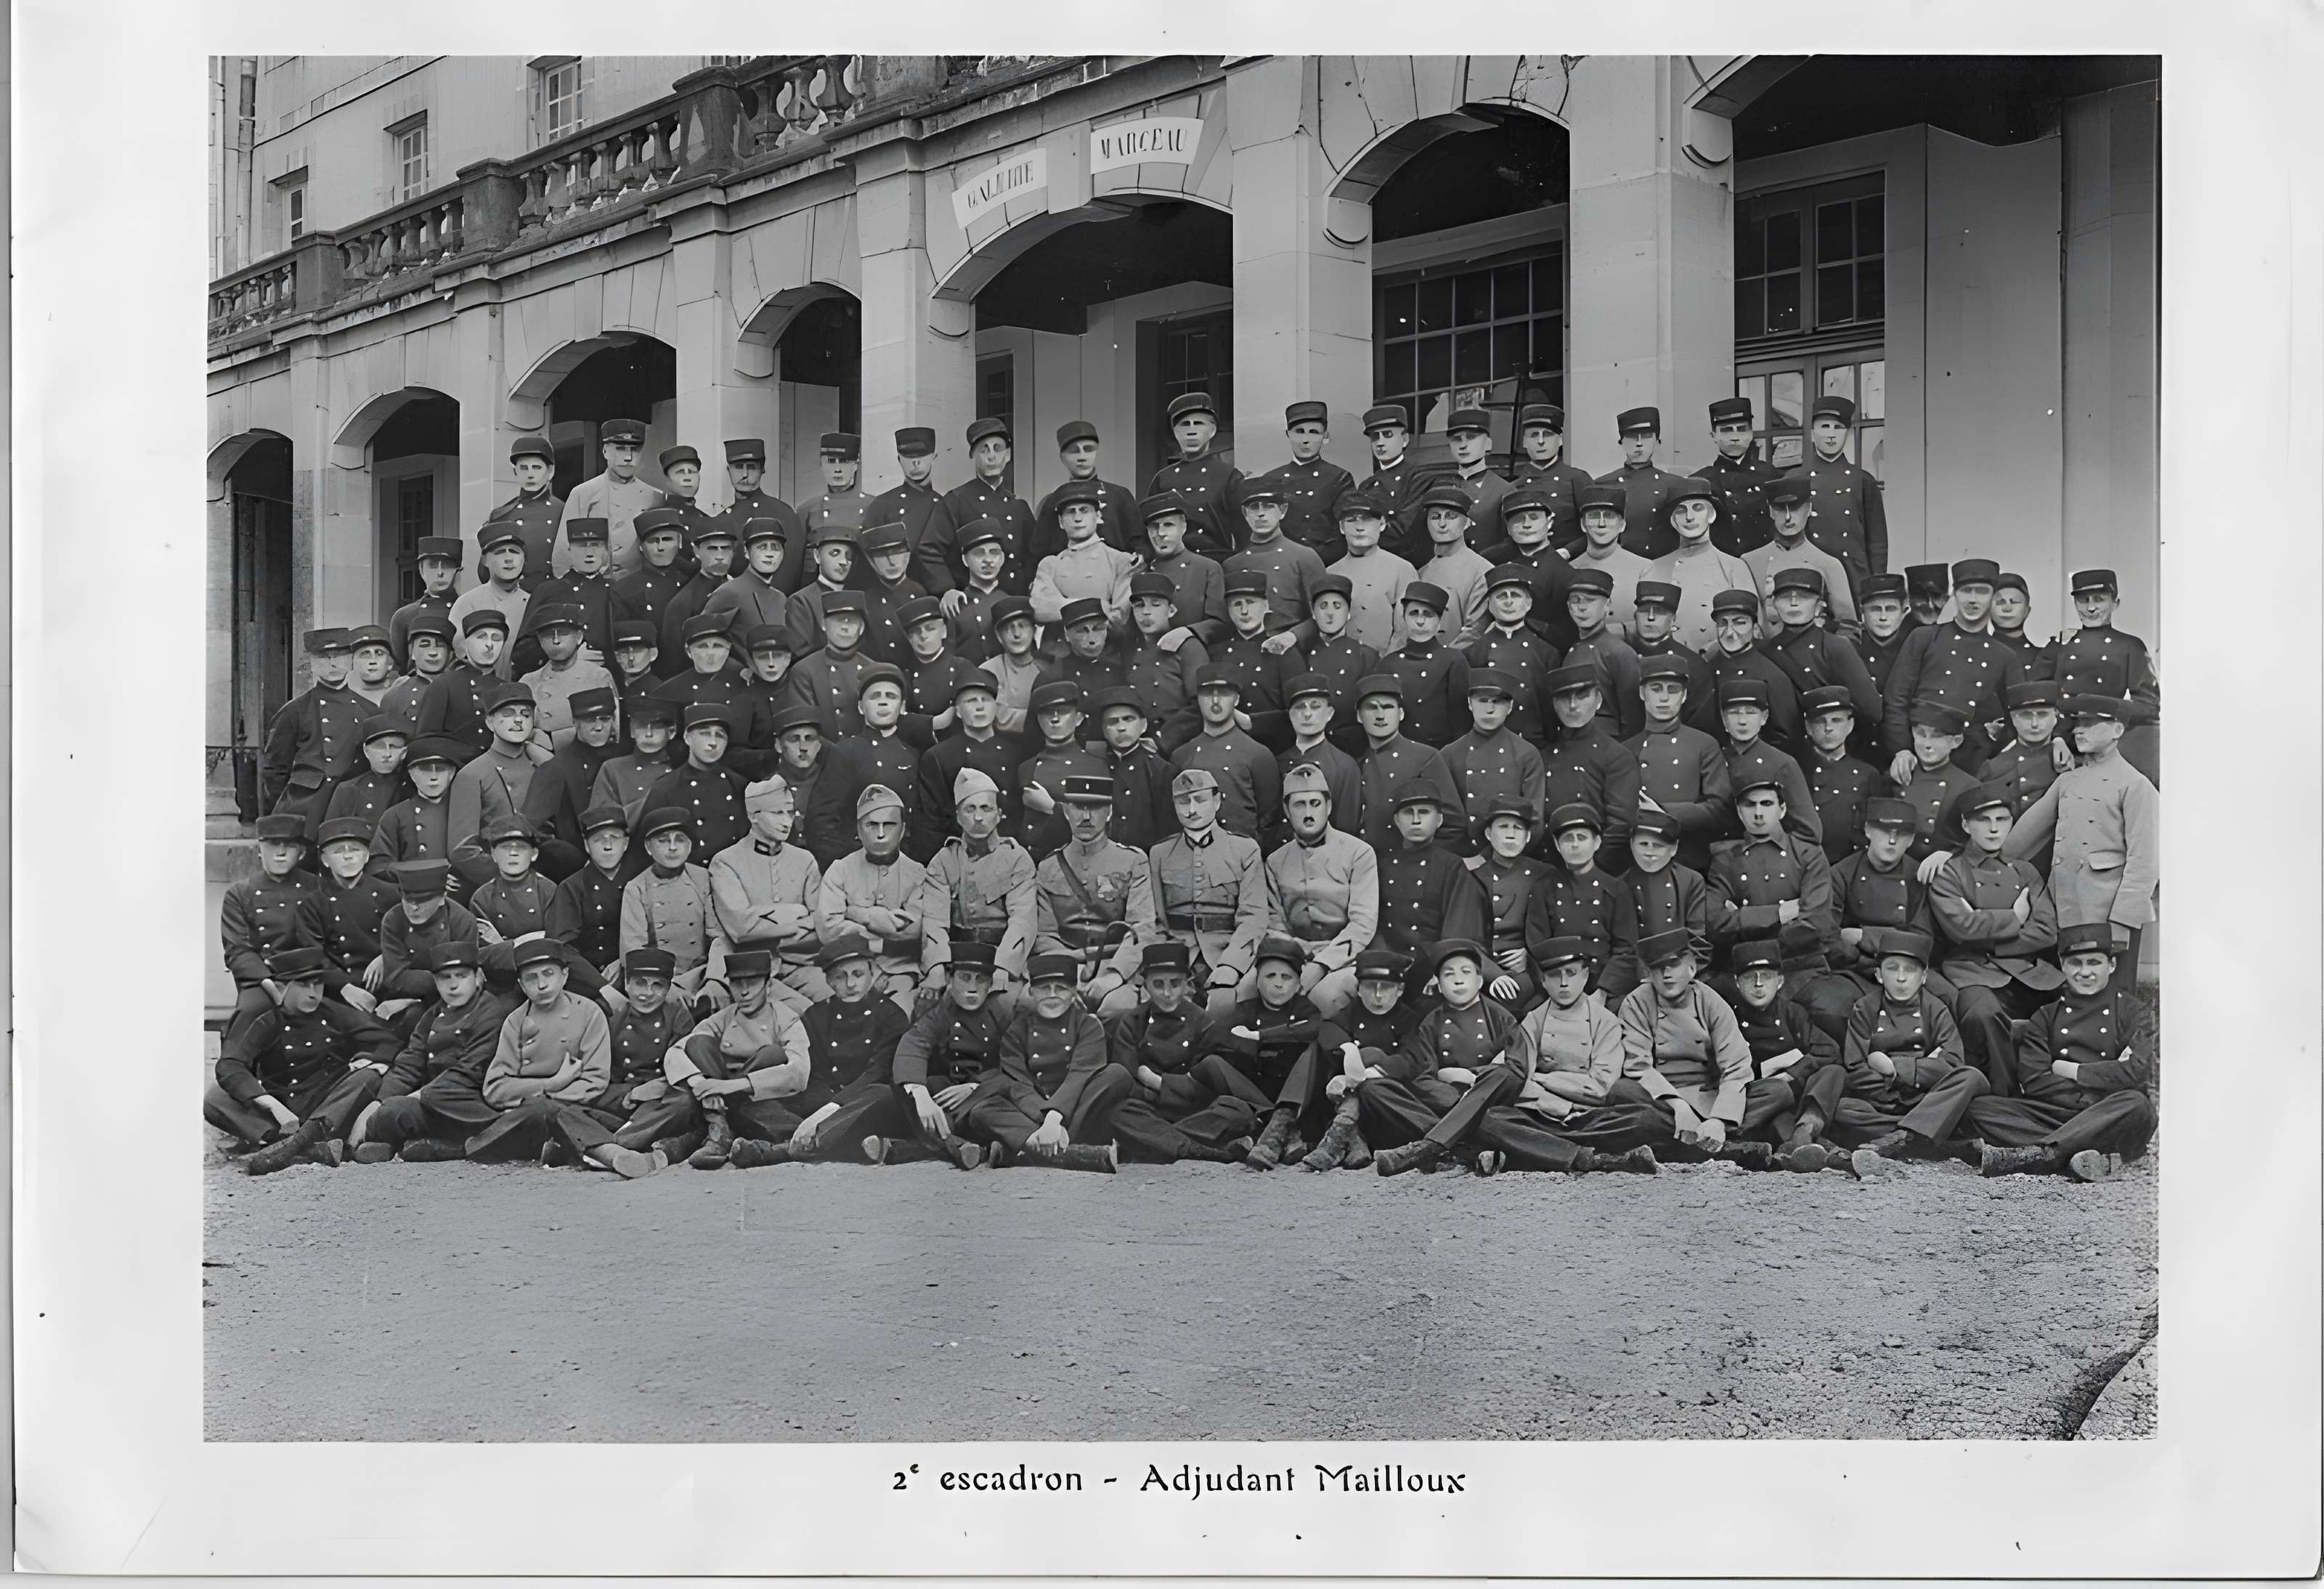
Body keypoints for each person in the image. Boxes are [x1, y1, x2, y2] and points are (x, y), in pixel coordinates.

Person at [1550, 928, 1788, 1165]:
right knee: (1620, 1090)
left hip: (1709, 1094)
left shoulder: (1711, 1001)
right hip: (1660, 1098)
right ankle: (1721, 1146)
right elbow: (1638, 1064)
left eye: (1673, 965)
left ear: (1692, 969)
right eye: (1657, 968)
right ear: (1649, 975)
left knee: (1777, 1091)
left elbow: (1736, 1066)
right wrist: (1679, 1107)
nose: (1666, 975)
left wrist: (1719, 1118)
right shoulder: (1636, 1002)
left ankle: (1702, 1136)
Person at [1963, 923, 2156, 1183]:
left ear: (2111, 965)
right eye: (2075, 963)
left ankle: (2043, 1154)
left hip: (2110, 1109)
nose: (2085, 972)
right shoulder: (2045, 1016)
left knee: (2137, 1106)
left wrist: (2070, 1069)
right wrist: (2102, 1081)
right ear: (2063, 966)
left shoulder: (2135, 1013)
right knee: (1980, 1108)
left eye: (2094, 963)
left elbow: (2137, 1071)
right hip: (2056, 1111)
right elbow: (2034, 1081)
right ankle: (2083, 1150)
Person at [1998, 694, 2158, 992]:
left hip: (2109, 913)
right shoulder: (2068, 781)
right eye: (2077, 723)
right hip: (2065, 906)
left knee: (2112, 998)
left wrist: (2121, 923)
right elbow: (2016, 844)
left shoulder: (2136, 786)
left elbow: (2145, 863)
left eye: (2090, 724)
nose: (2077, 731)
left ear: (2117, 731)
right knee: (2071, 991)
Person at [1361, 938, 1546, 1178]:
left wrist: (1473, 1078)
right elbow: (1423, 1078)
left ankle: (1426, 1148)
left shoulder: (1500, 1017)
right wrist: (1456, 1097)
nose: (1459, 980)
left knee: (1503, 1074)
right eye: (1449, 974)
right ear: (1439, 984)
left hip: (1489, 1102)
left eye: (1466, 972)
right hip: (1446, 1106)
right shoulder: (1431, 1022)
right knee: (1373, 1090)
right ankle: (1470, 1148)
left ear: (1480, 980)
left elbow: (1517, 1069)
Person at [1813, 929, 1988, 1180]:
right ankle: (1924, 1138)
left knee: (1970, 1077)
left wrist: (1895, 1069)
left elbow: (1952, 1065)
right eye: (1893, 969)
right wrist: (1918, 1071)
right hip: (1883, 1105)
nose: (1902, 978)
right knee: (1842, 1109)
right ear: (1879, 975)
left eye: (1911, 970)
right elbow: (1855, 1069)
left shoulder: (1936, 1009)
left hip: (1927, 1100)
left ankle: (1903, 1138)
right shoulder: (1865, 1009)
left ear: (1924, 976)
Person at [208, 946, 396, 1175]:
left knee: (369, 1075)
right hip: (283, 1110)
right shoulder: (266, 1019)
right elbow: (230, 1065)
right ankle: (301, 1148)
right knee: (214, 1097)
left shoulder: (332, 1012)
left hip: (327, 1102)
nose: (313, 992)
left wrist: (365, 1060)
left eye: (318, 984)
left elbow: (387, 1039)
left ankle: (302, 1143)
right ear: (280, 988)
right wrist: (271, 1104)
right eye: (304, 985)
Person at [1930, 785, 2063, 1092]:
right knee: (1984, 1014)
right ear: (1966, 825)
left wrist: (1986, 932)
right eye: (1984, 820)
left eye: (2002, 819)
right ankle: (2003, 1097)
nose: (1993, 828)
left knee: (2075, 1002)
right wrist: (2016, 917)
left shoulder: (2025, 871)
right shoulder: (1950, 873)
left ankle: (2060, 1094)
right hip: (1972, 972)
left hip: (2028, 971)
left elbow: (2046, 930)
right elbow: (1961, 929)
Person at [634, 948, 815, 1170]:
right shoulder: (725, 1017)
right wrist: (703, 1085)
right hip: (721, 1099)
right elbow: (677, 1051)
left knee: (773, 1055)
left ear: (768, 986)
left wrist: (730, 1086)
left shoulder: (785, 1017)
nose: (745, 992)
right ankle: (720, 1131)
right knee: (698, 1043)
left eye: (753, 983)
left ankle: (711, 1134)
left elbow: (799, 1073)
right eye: (738, 984)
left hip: (763, 1099)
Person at [527, 947, 696, 1177]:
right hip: (619, 1103)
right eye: (640, 983)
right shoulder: (609, 1017)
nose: (647, 993)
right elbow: (592, 1074)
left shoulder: (678, 1016)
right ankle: (615, 1150)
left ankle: (599, 1148)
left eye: (657, 985)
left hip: (657, 1104)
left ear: (668, 988)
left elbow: (682, 1070)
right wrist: (628, 1094)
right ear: (626, 985)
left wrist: (655, 1088)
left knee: (685, 1101)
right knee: (561, 1109)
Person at [949, 954, 1126, 1171]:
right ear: (1031, 992)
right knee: (981, 1109)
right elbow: (1019, 1083)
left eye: (1060, 988)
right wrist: (1045, 1123)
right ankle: (1062, 1152)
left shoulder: (1088, 1025)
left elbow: (1079, 1077)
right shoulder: (1017, 1031)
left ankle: (1023, 1149)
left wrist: (1055, 1120)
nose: (1052, 995)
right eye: (1044, 988)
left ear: (1073, 991)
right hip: (1035, 1110)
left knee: (1116, 1075)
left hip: (1078, 1105)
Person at [1102, 942, 1264, 1166]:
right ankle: (1202, 1151)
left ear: (1187, 982)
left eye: (1175, 984)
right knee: (1117, 1113)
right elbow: (1126, 1082)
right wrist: (1165, 1091)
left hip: (1197, 1112)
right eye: (1158, 984)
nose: (1167, 993)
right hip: (1148, 1111)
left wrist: (1158, 1083)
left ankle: (1155, 1145)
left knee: (1237, 1111)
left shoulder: (1203, 1022)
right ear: (1144, 983)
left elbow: (1205, 1084)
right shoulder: (1132, 1022)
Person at [1881, 558, 2026, 774]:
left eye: (1982, 592)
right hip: (1916, 758)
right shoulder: (1924, 638)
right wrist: (1901, 750)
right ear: (1954, 594)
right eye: (1966, 591)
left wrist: (1989, 749)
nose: (1973, 599)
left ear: (1994, 597)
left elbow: (2019, 716)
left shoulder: (2004, 656)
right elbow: (1896, 701)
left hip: (1971, 764)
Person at [1031, 774, 1158, 1018]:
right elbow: (1044, 934)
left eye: (1096, 807)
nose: (1086, 817)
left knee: (1119, 1008)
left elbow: (1141, 928)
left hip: (1120, 966)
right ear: (1066, 811)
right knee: (1029, 1003)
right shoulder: (1048, 867)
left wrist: (1114, 975)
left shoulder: (1133, 861)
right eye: (1078, 807)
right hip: (1064, 969)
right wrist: (1070, 973)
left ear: (1109, 812)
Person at [1147, 768, 1270, 1019]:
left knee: (1228, 1006)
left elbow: (1253, 918)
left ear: (1217, 801)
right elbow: (1157, 920)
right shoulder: (1160, 853)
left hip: (1228, 951)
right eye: (1183, 801)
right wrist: (1166, 961)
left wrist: (1231, 965)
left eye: (1200, 800)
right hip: (1177, 954)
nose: (1191, 809)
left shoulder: (1244, 850)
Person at [917, 768, 1038, 1018]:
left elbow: (1022, 921)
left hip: (999, 955)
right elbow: (934, 921)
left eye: (986, 809)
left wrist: (1004, 968)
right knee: (928, 1006)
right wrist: (938, 967)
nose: (979, 818)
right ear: (959, 817)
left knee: (1004, 1006)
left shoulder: (1016, 858)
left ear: (999, 815)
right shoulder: (944, 860)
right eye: (970, 810)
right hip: (957, 958)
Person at [1261, 763, 1378, 1015]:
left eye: (1315, 804)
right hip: (1291, 958)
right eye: (1299, 805)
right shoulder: (1275, 860)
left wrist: (1323, 964)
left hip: (1345, 960)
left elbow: (1363, 923)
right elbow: (1274, 922)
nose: (1308, 813)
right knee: (1255, 990)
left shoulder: (1359, 853)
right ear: (1286, 810)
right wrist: (1294, 956)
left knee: (1325, 996)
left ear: (1329, 807)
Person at [1717, 936, 1841, 1170]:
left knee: (1834, 1072)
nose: (1758, 985)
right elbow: (1721, 1066)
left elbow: (1829, 1051)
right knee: (1778, 1095)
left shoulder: (1792, 1012)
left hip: (1798, 1095)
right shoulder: (1727, 1016)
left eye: (1766, 976)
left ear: (1781, 981)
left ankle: (1806, 1129)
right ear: (1737, 982)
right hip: (1758, 1096)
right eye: (1749, 978)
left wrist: (1792, 1073)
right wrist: (1767, 1075)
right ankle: (1829, 1153)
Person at [890, 941, 1011, 1163]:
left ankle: (956, 1147)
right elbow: (915, 1042)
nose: (973, 988)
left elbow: (1016, 1065)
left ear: (991, 983)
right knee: (909, 1088)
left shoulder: (1002, 1011)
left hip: (986, 1094)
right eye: (965, 978)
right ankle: (962, 1148)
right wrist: (920, 1093)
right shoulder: (942, 1009)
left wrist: (977, 1087)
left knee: (988, 1110)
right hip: (949, 1092)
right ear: (949, 979)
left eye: (981, 979)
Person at [2041, 568, 2161, 789]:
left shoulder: (2130, 646)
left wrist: (2102, 710)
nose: (2091, 607)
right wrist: (2056, 738)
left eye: (2100, 599)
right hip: (2058, 745)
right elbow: (2036, 694)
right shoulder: (2060, 644)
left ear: (2115, 602)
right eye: (2083, 600)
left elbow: (2149, 706)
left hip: (2104, 744)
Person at [1708, 773, 1837, 977]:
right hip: (1743, 969)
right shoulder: (1725, 860)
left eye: (1767, 803)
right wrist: (1779, 914)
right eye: (1750, 805)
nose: (1758, 813)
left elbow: (1815, 923)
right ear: (1740, 812)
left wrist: (1744, 921)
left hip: (1801, 967)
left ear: (1782, 809)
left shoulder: (1808, 855)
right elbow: (1716, 923)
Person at [219, 813, 325, 1047]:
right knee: (250, 1013)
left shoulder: (317, 888)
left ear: (302, 852)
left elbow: (327, 938)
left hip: (310, 975)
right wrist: (269, 983)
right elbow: (238, 951)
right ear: (259, 849)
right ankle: (236, 1068)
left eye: (289, 846)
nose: (280, 852)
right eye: (272, 845)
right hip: (264, 978)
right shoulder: (240, 893)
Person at [1371, 781, 1490, 985]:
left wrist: (1442, 968)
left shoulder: (1452, 867)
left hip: (1432, 968)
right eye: (1408, 813)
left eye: (1424, 812)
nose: (1416, 820)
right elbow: (1372, 922)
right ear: (1397, 821)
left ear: (1439, 820)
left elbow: (1459, 930)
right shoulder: (1379, 864)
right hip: (1385, 963)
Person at [1627, 655, 1731, 874]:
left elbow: (1720, 809)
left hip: (1691, 861)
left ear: (1684, 696)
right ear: (1641, 693)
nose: (1664, 698)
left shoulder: (1704, 744)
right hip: (1639, 861)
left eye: (1673, 690)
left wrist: (1663, 812)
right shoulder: (1626, 750)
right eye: (1656, 689)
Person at [1600, 808, 1711, 1004]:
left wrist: (1678, 974)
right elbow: (1621, 947)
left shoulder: (1691, 881)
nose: (1649, 852)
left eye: (1658, 846)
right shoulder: (1619, 886)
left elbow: (1698, 939)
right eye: (1643, 844)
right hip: (1633, 979)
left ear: (1674, 848)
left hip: (1682, 977)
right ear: (1631, 844)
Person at [261, 628, 365, 837]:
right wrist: (289, 805)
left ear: (351, 660)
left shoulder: (369, 711)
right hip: (306, 807)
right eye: (324, 658)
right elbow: (274, 769)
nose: (333, 664)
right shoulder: (294, 711)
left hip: (349, 806)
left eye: (340, 656)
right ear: (311, 664)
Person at [1540, 662, 1642, 866]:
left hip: (1597, 870)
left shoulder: (1616, 756)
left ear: (1599, 700)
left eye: (1582, 696)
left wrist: (1590, 871)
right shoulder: (1543, 756)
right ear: (1554, 705)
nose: (1572, 705)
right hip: (1550, 868)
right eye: (1563, 698)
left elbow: (1620, 827)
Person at [921, 416, 1035, 598]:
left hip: (1014, 601)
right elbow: (928, 549)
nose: (991, 456)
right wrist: (947, 589)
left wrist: (1031, 585)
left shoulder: (1018, 506)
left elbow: (1033, 554)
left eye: (997, 449)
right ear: (973, 455)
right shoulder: (956, 500)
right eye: (984, 449)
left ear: (1008, 455)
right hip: (972, 601)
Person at [1525, 802, 1631, 993]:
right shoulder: (1544, 888)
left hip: (1604, 987)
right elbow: (1537, 948)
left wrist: (1603, 992)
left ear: (1597, 843)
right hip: (1559, 985)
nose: (1575, 845)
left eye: (1582, 838)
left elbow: (1626, 950)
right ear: (1558, 845)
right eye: (1567, 839)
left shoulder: (1616, 889)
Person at [911, 672, 1020, 858]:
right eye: (970, 701)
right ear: (958, 712)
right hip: (960, 856)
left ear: (995, 706)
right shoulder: (939, 756)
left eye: (985, 700)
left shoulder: (1016, 753)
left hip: (1009, 853)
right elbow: (932, 822)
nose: (979, 707)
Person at [1352, 673, 1466, 851]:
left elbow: (1453, 827)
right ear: (1359, 716)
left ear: (1401, 714)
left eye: (1388, 707)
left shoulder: (1425, 758)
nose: (1380, 716)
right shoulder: (1357, 763)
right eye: (1371, 708)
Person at [445, 685, 544, 890]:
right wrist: (509, 878)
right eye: (508, 714)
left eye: (526, 714)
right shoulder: (472, 775)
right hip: (498, 884)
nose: (518, 720)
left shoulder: (544, 766)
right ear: (490, 722)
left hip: (545, 879)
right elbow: (462, 850)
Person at [1644, 477, 1759, 652]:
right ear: (1673, 520)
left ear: (1711, 515)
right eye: (1682, 510)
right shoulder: (1654, 567)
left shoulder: (1734, 567)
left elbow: (1752, 628)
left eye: (1698, 508)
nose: (1690, 517)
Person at [309, 816, 407, 1022]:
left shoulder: (391, 894)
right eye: (338, 851)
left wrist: (386, 957)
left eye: (355, 850)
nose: (348, 857)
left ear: (367, 855)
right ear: (325, 860)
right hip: (338, 990)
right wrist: (343, 987)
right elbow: (311, 953)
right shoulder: (314, 901)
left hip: (388, 984)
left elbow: (410, 937)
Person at [1794, 396, 1886, 606]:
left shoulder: (1863, 480)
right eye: (1824, 426)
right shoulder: (1795, 479)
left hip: (1854, 576)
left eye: (1838, 427)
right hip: (1810, 576)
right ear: (1811, 434)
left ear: (1848, 433)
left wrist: (1876, 588)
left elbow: (1878, 544)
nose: (1831, 434)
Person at [1713, 677, 1822, 851]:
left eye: (1750, 712)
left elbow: (1809, 831)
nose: (1742, 721)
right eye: (1734, 712)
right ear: (1723, 719)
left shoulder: (1781, 763)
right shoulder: (1713, 759)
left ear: (1764, 718)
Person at [1170, 668, 1279, 840]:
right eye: (1207, 695)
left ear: (1237, 699)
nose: (1215, 701)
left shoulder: (1258, 754)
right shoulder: (1182, 756)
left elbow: (1268, 818)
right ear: (1198, 699)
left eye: (1224, 694)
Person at [1443, 668, 1545, 848]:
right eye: (1482, 701)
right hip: (1463, 858)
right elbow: (1445, 818)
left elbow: (1533, 819)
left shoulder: (1526, 754)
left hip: (1511, 856)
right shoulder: (1450, 754)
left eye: (1497, 702)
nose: (1489, 709)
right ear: (1469, 703)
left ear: (1510, 707)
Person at [1744, 475, 1858, 632]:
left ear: (1809, 508)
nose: (1788, 517)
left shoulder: (1829, 564)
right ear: (1771, 511)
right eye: (1780, 509)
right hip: (1765, 652)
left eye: (1795, 508)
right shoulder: (1750, 562)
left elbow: (1849, 628)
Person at [1203, 572, 1302, 750]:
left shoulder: (1284, 652)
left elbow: (1300, 710)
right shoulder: (1216, 654)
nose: (1244, 611)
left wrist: (1252, 722)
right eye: (1237, 604)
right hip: (1224, 746)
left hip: (1275, 748)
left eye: (1251, 602)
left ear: (1266, 605)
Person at [513, 517, 622, 678]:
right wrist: (568, 657)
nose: (589, 553)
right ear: (570, 550)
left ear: (607, 550)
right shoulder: (549, 591)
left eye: (596, 545)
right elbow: (523, 654)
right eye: (581, 546)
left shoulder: (618, 592)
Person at [643, 702, 751, 861]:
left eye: (720, 735)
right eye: (705, 733)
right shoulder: (666, 788)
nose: (713, 742)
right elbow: (649, 846)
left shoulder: (739, 785)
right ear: (687, 738)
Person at [555, 418, 662, 579]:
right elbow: (563, 550)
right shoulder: (583, 493)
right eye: (620, 448)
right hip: (594, 587)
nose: (628, 457)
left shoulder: (654, 496)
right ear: (605, 451)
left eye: (635, 449)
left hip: (637, 590)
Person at [1224, 479, 1329, 641]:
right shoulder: (1233, 565)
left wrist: (1292, 637)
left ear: (1283, 510)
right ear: (1245, 514)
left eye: (1268, 506)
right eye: (1254, 507)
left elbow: (1322, 615)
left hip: (1292, 649)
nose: (1260, 513)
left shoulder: (1304, 557)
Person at [1697, 594, 1803, 753]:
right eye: (1723, 623)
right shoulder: (1706, 669)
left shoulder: (1771, 675)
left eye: (1740, 623)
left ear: (1754, 628)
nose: (1730, 632)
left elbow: (1785, 736)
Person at [1471, 801, 1553, 1006]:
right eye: (1503, 827)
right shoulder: (1471, 878)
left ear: (1527, 837)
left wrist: (1530, 954)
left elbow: (1556, 927)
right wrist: (1492, 973)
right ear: (1489, 834)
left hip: (1529, 971)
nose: (1510, 834)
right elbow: (1463, 934)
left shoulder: (1544, 875)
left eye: (1517, 828)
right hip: (1482, 968)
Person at [1030, 479, 1140, 630]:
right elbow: (1040, 610)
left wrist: (1062, 605)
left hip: (1107, 649)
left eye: (1084, 510)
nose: (1078, 518)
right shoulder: (1050, 565)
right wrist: (1100, 606)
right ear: (1061, 522)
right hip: (1060, 648)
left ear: (1098, 516)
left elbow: (1119, 618)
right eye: (1071, 512)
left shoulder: (1120, 561)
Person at [1464, 566, 1557, 743]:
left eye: (1515, 595)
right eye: (1501, 596)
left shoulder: (1546, 652)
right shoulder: (1473, 653)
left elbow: (1550, 709)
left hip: (1533, 743)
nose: (1509, 602)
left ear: (1528, 603)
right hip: (1490, 742)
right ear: (1490, 606)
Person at [1149, 391, 1243, 558]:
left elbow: (1244, 531)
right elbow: (1150, 526)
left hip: (1216, 561)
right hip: (1172, 562)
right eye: (1184, 424)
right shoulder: (1163, 479)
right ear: (1175, 432)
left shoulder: (1228, 476)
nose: (1191, 430)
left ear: (1212, 430)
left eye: (1198, 423)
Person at [1797, 685, 1882, 866]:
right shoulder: (1795, 771)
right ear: (1808, 727)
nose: (1829, 728)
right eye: (1821, 721)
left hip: (1854, 868)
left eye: (1836, 720)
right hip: (1807, 866)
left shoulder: (1868, 775)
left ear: (1850, 725)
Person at [1265, 400, 1358, 564]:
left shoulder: (1339, 478)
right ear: (1288, 434)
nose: (1306, 440)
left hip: (1326, 565)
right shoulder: (1271, 480)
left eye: (1314, 432)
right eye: (1299, 432)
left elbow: (1349, 527)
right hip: (1283, 564)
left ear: (1325, 437)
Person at [1325, 487, 1415, 655]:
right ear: (1342, 527)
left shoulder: (1401, 569)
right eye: (1351, 520)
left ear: (1382, 524)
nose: (1359, 527)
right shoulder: (1331, 573)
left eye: (1367, 520)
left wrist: (1387, 664)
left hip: (1386, 666)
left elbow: (1404, 631)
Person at [1088, 686, 1179, 852]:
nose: (1121, 727)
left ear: (1143, 725)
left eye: (1128, 719)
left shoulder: (1161, 770)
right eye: (1112, 722)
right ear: (1104, 731)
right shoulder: (1094, 768)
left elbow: (1170, 833)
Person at [715, 438, 808, 597]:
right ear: (728, 470)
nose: (744, 475)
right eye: (738, 467)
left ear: (763, 469)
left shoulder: (783, 514)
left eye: (752, 468)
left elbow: (790, 572)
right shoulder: (721, 520)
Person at [1273, 675, 1365, 837]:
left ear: (1329, 713)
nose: (1307, 714)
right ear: (1289, 714)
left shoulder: (1344, 766)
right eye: (1300, 707)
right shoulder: (1276, 762)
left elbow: (1347, 829)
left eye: (1315, 707)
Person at [1891, 703, 1983, 866]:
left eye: (1937, 736)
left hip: (1941, 873)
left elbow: (1976, 843)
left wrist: (1949, 855)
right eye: (1921, 734)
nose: (1927, 743)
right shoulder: (1897, 775)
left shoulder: (1968, 786)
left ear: (1956, 741)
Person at [1137, 491, 1229, 650]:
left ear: (1184, 527)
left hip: (1193, 652)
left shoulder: (1207, 568)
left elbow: (1220, 623)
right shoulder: (1141, 571)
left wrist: (1188, 633)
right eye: (1154, 527)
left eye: (1168, 525)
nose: (1161, 534)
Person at [1383, 581, 1470, 747]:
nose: (1420, 620)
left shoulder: (1453, 661)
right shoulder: (1389, 664)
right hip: (1400, 751)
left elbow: (1461, 722)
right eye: (1414, 613)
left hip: (1441, 752)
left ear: (1439, 620)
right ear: (1404, 617)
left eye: (1428, 614)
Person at [1561, 568, 1643, 741]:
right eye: (1576, 600)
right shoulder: (1573, 650)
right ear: (1569, 607)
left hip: (1609, 743)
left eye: (1590, 601)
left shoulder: (1619, 652)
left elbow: (1634, 719)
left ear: (1607, 605)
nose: (1582, 608)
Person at [1410, 483, 1493, 648]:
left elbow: (1475, 632)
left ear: (1467, 523)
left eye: (1450, 516)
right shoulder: (1422, 572)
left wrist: (1444, 661)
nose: (1442, 524)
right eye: (1435, 517)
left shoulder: (1483, 571)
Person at [1596, 406, 1685, 561]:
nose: (1639, 444)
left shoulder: (1674, 485)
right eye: (1631, 437)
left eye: (1645, 436)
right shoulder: (1603, 485)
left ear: (1657, 441)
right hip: (1619, 566)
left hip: (1661, 566)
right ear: (1621, 442)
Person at [704, 515, 796, 660]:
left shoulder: (780, 598)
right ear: (747, 552)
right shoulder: (728, 593)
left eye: (776, 548)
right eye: (762, 547)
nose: (770, 554)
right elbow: (704, 644)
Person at [1505, 402, 1591, 553]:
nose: (1540, 441)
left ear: (1560, 439)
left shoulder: (1577, 479)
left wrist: (1568, 551)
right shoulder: (1513, 487)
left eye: (1547, 434)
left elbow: (1595, 527)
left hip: (1572, 565)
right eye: (1534, 435)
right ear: (1524, 441)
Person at [657, 521, 743, 673]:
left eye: (726, 548)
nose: (719, 556)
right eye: (712, 548)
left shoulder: (742, 590)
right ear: (697, 551)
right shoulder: (682, 603)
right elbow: (674, 663)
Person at [449, 524, 533, 678]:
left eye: (514, 552)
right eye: (500, 552)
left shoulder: (532, 605)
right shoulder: (466, 604)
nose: (508, 559)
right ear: (484, 560)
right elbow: (458, 657)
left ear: (524, 559)